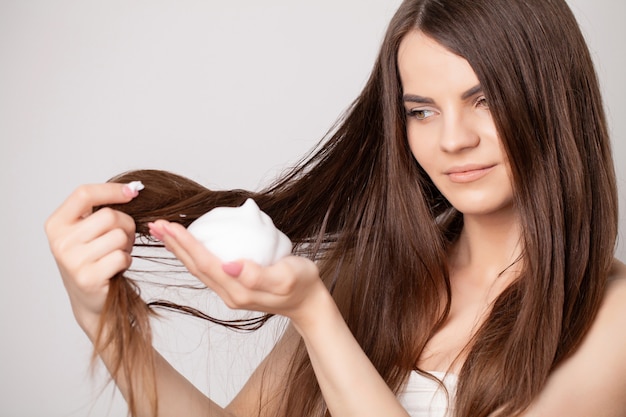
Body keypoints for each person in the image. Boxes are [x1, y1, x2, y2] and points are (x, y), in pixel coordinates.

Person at [45, 0, 626, 416]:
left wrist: (317, 317)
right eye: (421, 110)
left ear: (551, 100)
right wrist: (103, 324)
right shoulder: (368, 275)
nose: (452, 140)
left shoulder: (611, 317)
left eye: (484, 100)